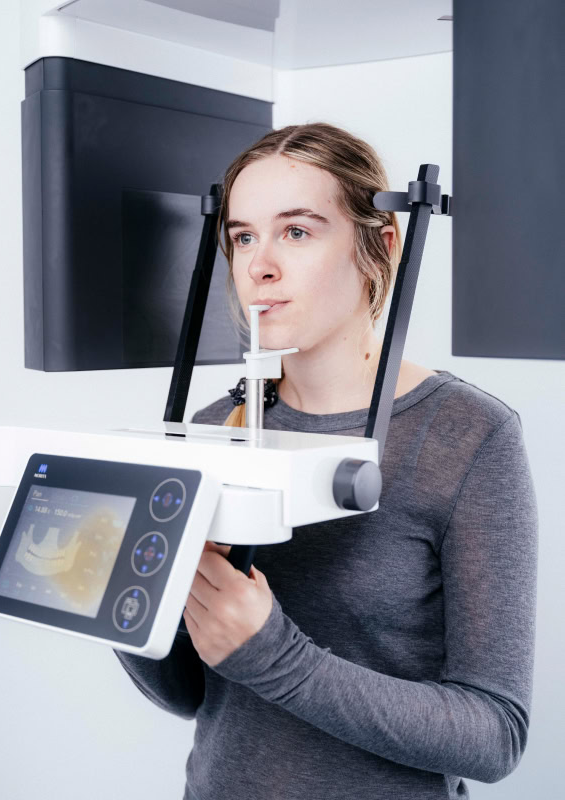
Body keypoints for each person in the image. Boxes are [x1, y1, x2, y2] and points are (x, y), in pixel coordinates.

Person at [115, 123, 539, 800]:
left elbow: (494, 736)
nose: (259, 265)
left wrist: (275, 656)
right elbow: (192, 693)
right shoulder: (217, 427)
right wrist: (124, 601)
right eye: (243, 235)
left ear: (379, 245)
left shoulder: (467, 436)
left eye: (298, 231)